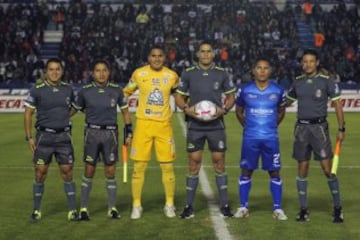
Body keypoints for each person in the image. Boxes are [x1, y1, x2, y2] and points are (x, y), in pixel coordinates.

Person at [175, 41, 236, 219]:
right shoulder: (188, 73)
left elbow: (231, 96)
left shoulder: (221, 73)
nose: (206, 54)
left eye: (209, 51)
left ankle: (224, 205)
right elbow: (179, 96)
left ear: (213, 54)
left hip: (216, 126)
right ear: (198, 54)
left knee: (219, 163)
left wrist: (224, 110)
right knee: (193, 165)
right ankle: (188, 206)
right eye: (203, 52)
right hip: (195, 126)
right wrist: (187, 109)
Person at [286, 49, 345, 223]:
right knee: (302, 171)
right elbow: (287, 101)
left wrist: (342, 129)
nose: (308, 64)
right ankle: (303, 210)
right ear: (302, 63)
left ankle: (337, 208)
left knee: (328, 170)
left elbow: (338, 106)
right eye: (305, 61)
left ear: (317, 63)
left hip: (319, 129)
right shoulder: (297, 82)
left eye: (311, 61)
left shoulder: (327, 81)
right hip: (301, 129)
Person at [123, 46, 179, 219]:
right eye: (153, 56)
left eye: (160, 56)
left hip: (164, 126)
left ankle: (169, 204)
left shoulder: (172, 76)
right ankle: (136, 205)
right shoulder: (139, 74)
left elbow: (179, 95)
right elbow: (126, 92)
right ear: (148, 57)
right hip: (143, 126)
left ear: (164, 58)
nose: (156, 59)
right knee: (138, 167)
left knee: (167, 167)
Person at [72, 60, 132, 220]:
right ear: (93, 73)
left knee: (110, 172)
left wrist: (129, 132)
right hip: (91, 133)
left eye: (104, 70)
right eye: (97, 70)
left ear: (109, 72)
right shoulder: (85, 91)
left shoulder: (116, 90)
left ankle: (112, 208)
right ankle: (84, 209)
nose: (101, 73)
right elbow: (74, 110)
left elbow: (126, 113)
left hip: (110, 134)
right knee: (89, 171)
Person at [24, 58, 78, 221]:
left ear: (62, 71)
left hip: (63, 137)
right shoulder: (37, 89)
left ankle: (72, 210)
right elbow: (28, 113)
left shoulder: (68, 89)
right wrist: (29, 138)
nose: (55, 72)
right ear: (46, 72)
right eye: (51, 69)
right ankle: (36, 210)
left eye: (58, 69)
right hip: (44, 138)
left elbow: (74, 107)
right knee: (40, 173)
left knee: (67, 171)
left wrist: (63, 117)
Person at [234, 58, 288, 220]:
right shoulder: (245, 90)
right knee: (246, 171)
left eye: (266, 68)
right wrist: (248, 126)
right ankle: (243, 207)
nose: (262, 71)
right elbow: (238, 111)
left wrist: (272, 125)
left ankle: (277, 209)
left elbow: (281, 111)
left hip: (270, 138)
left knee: (274, 172)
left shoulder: (278, 90)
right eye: (259, 68)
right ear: (254, 70)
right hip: (250, 138)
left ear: (270, 71)